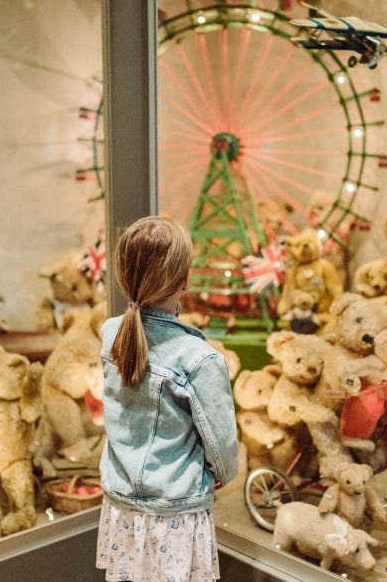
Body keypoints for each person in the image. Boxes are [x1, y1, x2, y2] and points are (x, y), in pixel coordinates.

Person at [95, 216, 239, 582]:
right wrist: (220, 474)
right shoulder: (199, 358)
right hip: (175, 515)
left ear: (123, 275)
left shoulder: (111, 333)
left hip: (121, 505)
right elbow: (223, 451)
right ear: (185, 280)